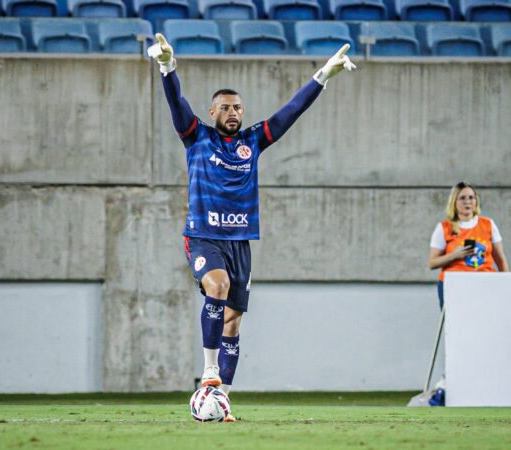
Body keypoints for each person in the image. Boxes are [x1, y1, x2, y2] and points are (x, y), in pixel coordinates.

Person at [149, 33, 356, 421]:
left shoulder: (253, 141)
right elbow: (176, 103)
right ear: (212, 112)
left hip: (240, 241)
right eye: (226, 107)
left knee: (233, 321)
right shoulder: (196, 136)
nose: (233, 112)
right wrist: (167, 67)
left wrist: (323, 76)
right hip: (203, 235)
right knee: (218, 287)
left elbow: (290, 111)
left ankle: (221, 401)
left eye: (238, 107)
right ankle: (209, 370)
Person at [428, 181, 510, 308]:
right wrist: (455, 255)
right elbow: (432, 263)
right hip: (455, 285)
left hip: (485, 283)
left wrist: (507, 283)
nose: (467, 202)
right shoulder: (444, 227)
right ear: (454, 202)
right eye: (462, 198)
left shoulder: (488, 224)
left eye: (471, 197)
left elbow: (500, 258)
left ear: (476, 201)